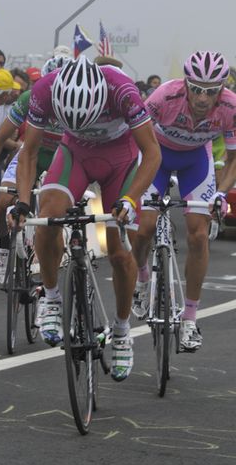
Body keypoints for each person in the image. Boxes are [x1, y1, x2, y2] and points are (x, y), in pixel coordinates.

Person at [10, 55, 161, 382]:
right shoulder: (45, 88)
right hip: (74, 155)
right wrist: (22, 203)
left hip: (119, 161)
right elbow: (30, 152)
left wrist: (129, 199)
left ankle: (122, 331)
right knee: (48, 216)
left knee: (119, 249)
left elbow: (152, 153)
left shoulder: (122, 91)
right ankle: (51, 298)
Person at [132, 51, 236, 352]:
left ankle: (190, 317)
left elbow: (232, 159)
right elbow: (134, 136)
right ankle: (142, 279)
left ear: (222, 89)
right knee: (144, 228)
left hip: (196, 161)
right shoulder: (165, 96)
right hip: (157, 156)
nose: (204, 97)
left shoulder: (230, 106)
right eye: (197, 89)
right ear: (186, 83)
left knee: (199, 234)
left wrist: (221, 193)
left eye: (212, 90)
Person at [0, 56, 65, 283]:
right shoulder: (30, 98)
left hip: (60, 159)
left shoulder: (77, 102)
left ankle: (49, 283)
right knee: (3, 202)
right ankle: (4, 243)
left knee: (52, 222)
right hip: (28, 154)